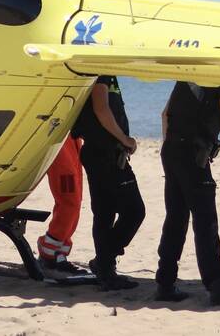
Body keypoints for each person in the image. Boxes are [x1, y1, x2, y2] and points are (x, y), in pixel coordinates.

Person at [154, 81, 220, 307]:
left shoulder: (188, 74)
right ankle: (216, 287)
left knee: (175, 218)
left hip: (170, 149)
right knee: (205, 221)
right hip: (193, 152)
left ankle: (165, 282)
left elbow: (165, 114)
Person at [71, 75, 145, 290]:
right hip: (104, 152)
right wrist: (125, 139)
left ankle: (104, 267)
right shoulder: (99, 73)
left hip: (102, 152)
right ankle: (104, 262)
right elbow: (101, 109)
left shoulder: (107, 73)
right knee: (134, 211)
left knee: (104, 213)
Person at [36, 134, 87, 277]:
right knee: (70, 199)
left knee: (76, 199)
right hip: (58, 139)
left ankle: (58, 252)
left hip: (71, 138)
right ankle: (48, 252)